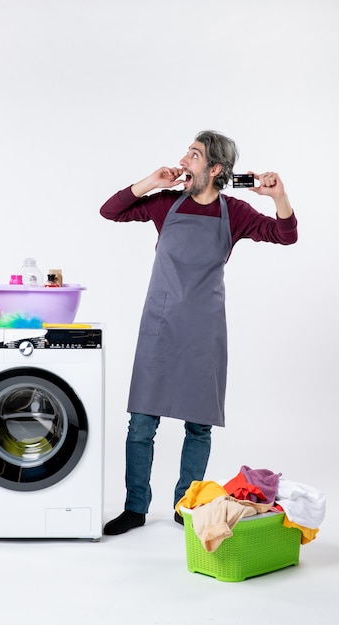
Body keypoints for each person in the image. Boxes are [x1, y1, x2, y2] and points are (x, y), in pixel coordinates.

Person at [100, 130, 298, 535]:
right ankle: (135, 507)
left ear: (215, 169)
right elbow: (110, 211)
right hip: (159, 326)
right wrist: (151, 182)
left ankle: (184, 506)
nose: (184, 161)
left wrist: (278, 197)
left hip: (203, 332)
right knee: (141, 424)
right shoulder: (164, 204)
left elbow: (285, 234)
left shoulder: (235, 212)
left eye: (194, 155)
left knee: (198, 426)